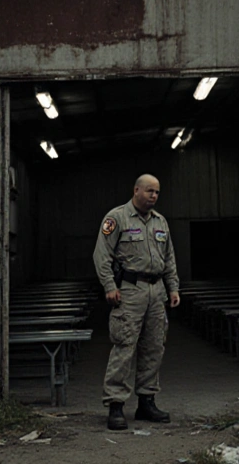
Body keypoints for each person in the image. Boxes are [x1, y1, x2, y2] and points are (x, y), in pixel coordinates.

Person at [92, 173, 181, 430]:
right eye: (150, 191)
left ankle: (146, 402)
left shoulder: (160, 222)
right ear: (136, 191)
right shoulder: (117, 218)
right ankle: (116, 405)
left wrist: (173, 288)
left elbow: (169, 259)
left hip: (156, 291)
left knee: (154, 347)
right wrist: (109, 285)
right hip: (129, 290)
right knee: (124, 345)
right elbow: (102, 254)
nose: (154, 196)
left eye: (157, 192)